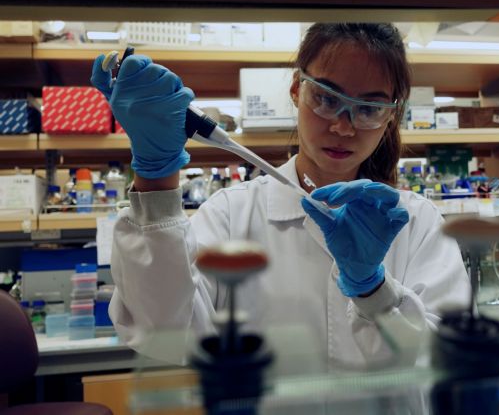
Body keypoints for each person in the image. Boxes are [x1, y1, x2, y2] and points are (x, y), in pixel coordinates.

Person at [90, 23, 470, 366]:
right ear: (296, 89)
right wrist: (156, 177)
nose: (343, 127)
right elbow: (165, 335)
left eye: (369, 109)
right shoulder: (231, 214)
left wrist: (373, 289)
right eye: (327, 98)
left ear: (391, 115)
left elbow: (447, 359)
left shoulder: (417, 222)